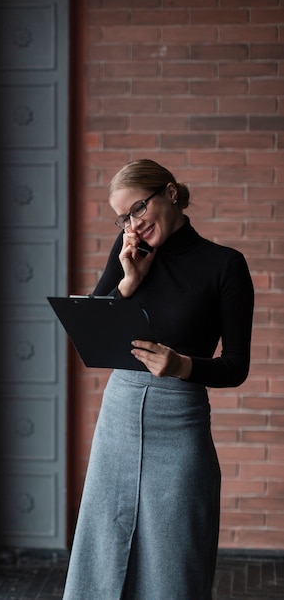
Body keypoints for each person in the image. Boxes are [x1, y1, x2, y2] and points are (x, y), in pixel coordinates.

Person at [63, 159, 254, 600]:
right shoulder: (128, 251)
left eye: (138, 208)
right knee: (103, 550)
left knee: (175, 561)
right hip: (120, 418)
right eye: (123, 217)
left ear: (170, 193)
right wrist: (129, 281)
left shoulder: (226, 266)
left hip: (180, 422)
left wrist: (182, 366)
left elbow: (237, 366)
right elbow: (93, 324)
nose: (132, 223)